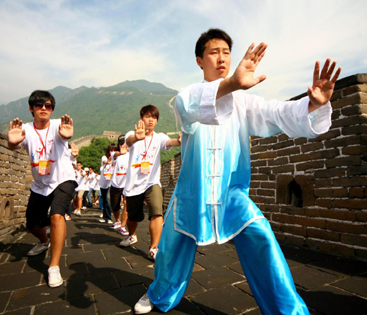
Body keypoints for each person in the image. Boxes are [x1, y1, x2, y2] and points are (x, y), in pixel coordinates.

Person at [134, 28, 341, 314]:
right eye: (213, 52)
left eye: (226, 52)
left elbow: (278, 113)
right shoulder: (189, 97)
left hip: (232, 193)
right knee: (171, 251)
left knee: (263, 239)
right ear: (199, 60)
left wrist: (313, 105)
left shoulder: (246, 103)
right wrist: (231, 83)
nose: (221, 58)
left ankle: (288, 311)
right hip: (192, 194)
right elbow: (187, 107)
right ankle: (159, 294)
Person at [7, 90, 77, 288]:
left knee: (57, 215)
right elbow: (15, 146)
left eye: (48, 105)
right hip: (40, 184)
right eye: (39, 105)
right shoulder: (26, 130)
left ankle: (53, 266)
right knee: (32, 225)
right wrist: (11, 143)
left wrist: (67, 135)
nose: (44, 108)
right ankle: (44, 240)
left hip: (63, 179)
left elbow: (66, 135)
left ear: (52, 109)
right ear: (31, 108)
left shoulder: (58, 126)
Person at [121, 105, 181, 260]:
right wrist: (137, 137)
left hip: (151, 181)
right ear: (141, 118)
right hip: (133, 184)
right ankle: (132, 235)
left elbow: (170, 142)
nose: (151, 120)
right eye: (147, 116)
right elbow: (128, 141)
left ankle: (154, 247)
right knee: (133, 217)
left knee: (157, 211)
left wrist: (179, 140)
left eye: (154, 117)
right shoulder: (132, 134)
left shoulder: (159, 137)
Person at [109, 135, 130, 236]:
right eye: (121, 143)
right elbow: (115, 155)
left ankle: (123, 226)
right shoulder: (114, 154)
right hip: (116, 183)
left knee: (126, 204)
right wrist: (120, 153)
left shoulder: (131, 154)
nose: (123, 145)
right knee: (115, 205)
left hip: (127, 184)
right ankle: (117, 220)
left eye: (124, 143)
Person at [98, 144, 117, 224]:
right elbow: (105, 162)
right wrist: (109, 162)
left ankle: (108, 217)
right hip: (103, 182)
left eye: (114, 150)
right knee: (105, 199)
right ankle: (105, 216)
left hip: (111, 182)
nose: (112, 152)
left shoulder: (117, 159)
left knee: (108, 199)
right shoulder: (104, 157)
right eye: (111, 150)